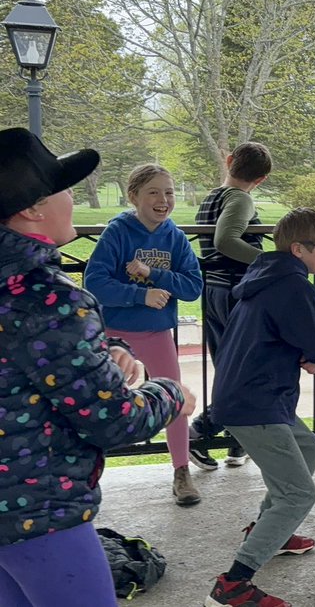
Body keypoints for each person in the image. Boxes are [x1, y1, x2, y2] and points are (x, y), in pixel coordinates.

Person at [0, 127, 194, 607]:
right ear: (31, 209)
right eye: (64, 189)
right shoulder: (50, 298)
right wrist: (170, 393)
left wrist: (102, 345)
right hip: (37, 511)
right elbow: (114, 420)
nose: (73, 198)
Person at [205, 207, 315, 607]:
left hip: (255, 396)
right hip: (256, 403)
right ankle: (233, 586)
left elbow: (308, 337)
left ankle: (271, 532)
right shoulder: (292, 286)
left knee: (307, 447)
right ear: (298, 248)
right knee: (298, 495)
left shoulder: (269, 277)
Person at [83, 164, 203, 506]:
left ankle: (182, 472)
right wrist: (141, 295)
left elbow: (194, 286)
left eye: (169, 192)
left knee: (176, 401)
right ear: (133, 196)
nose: (163, 200)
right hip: (113, 336)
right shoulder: (117, 232)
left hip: (157, 333)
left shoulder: (175, 237)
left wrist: (155, 275)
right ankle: (86, 476)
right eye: (153, 192)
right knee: (99, 404)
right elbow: (95, 283)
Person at [189, 142, 273, 469]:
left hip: (214, 290)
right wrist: (269, 260)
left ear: (229, 161)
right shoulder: (239, 198)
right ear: (262, 179)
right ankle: (200, 431)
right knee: (245, 369)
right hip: (234, 292)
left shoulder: (212, 197)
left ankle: (238, 443)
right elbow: (226, 241)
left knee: (229, 367)